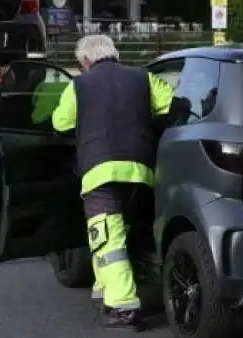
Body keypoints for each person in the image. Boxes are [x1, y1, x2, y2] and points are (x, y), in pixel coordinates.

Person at [51, 34, 176, 331]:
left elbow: (60, 123)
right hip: (140, 170)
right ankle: (105, 290)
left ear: (85, 61)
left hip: (100, 171)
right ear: (115, 53)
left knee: (108, 239)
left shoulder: (79, 85)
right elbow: (171, 107)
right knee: (119, 234)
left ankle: (122, 307)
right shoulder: (143, 78)